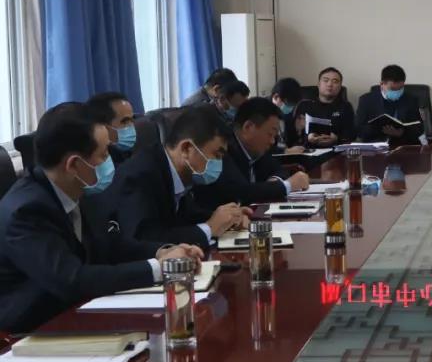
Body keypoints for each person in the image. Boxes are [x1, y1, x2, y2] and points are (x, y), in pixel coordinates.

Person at [0, 103, 202, 333]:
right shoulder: (26, 212)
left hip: (78, 313)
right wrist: (159, 269)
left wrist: (162, 252)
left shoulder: (80, 191)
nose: (111, 160)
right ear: (74, 164)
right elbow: (73, 280)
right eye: (104, 154)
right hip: (28, 332)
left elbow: (111, 246)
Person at [104, 105, 251, 250]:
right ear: (186, 148)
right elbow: (144, 239)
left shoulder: (176, 172)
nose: (219, 164)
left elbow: (187, 217)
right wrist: (209, 228)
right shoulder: (140, 175)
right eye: (217, 155)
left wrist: (227, 218)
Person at [194, 98, 310, 207]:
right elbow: (242, 191)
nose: (272, 141)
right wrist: (286, 186)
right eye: (270, 134)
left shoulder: (255, 149)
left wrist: (275, 181)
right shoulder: (223, 148)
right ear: (248, 127)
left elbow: (278, 169)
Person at [354, 64, 424, 146]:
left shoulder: (411, 100)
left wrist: (401, 133)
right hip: (376, 146)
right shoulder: (366, 100)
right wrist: (380, 129)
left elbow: (419, 129)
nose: (397, 92)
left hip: (404, 145)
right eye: (392, 89)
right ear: (382, 84)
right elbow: (358, 130)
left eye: (400, 88)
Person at [295, 67, 356, 146]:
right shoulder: (304, 105)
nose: (330, 84)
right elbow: (294, 134)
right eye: (326, 80)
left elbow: (351, 135)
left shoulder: (346, 107)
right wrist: (308, 138)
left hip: (335, 150)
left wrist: (336, 139)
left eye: (335, 81)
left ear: (340, 87)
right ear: (318, 84)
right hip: (308, 149)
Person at [86, 91, 138, 164]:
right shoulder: (99, 165)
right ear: (103, 128)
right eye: (125, 121)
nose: (132, 126)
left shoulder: (134, 156)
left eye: (132, 120)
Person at [270, 77, 304, 150]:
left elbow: (291, 143)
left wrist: (298, 131)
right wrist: (285, 151)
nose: (291, 108)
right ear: (276, 97)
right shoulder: (263, 113)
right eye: (288, 104)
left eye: (293, 104)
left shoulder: (289, 115)